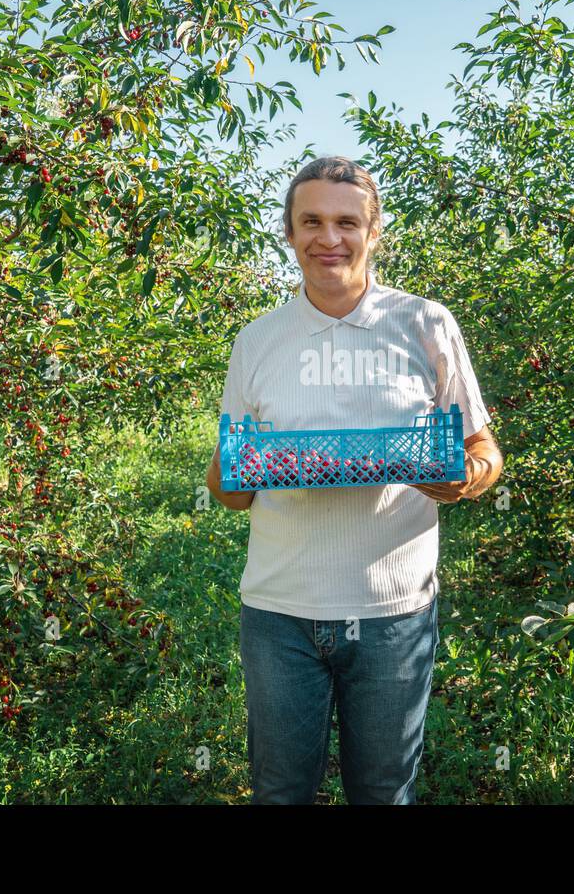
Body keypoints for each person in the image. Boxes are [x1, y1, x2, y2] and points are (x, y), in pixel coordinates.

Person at [205, 156, 503, 804]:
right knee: (280, 791)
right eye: (311, 221)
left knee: (384, 792)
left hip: (395, 613)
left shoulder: (426, 324)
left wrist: (463, 478)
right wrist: (233, 467)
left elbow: (484, 450)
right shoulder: (256, 342)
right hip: (279, 612)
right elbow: (230, 488)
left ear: (374, 232)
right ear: (289, 232)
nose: (328, 238)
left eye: (346, 221)